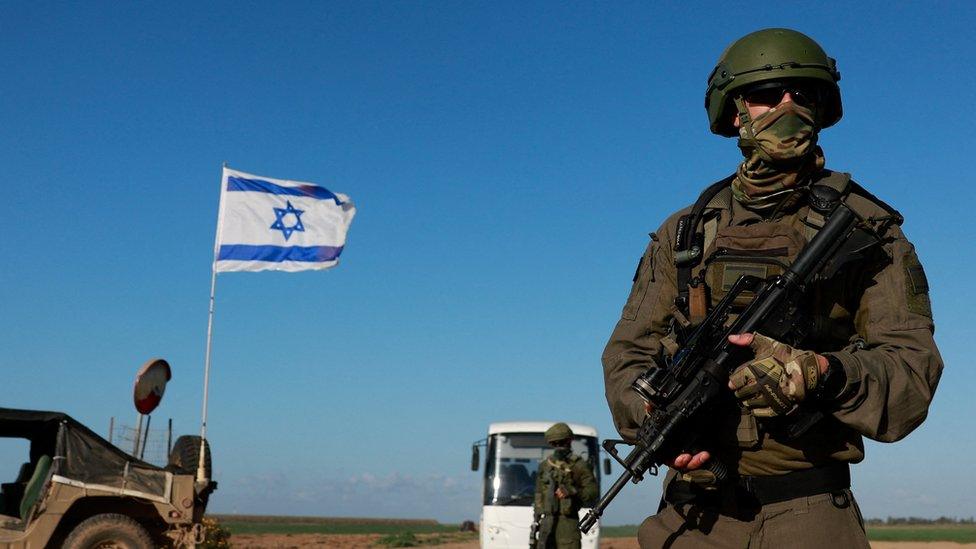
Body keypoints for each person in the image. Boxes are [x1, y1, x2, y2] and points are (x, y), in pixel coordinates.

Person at [601, 28, 943, 548]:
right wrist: (653, 419)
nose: (787, 106)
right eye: (766, 95)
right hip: (695, 514)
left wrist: (821, 374)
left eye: (803, 94)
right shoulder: (685, 233)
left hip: (807, 512)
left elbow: (912, 377)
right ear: (734, 111)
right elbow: (628, 354)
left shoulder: (869, 231)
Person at [531, 423, 598, 549]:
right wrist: (536, 520)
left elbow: (593, 492)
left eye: (561, 443)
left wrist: (572, 490)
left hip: (568, 524)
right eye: (554, 444)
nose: (558, 447)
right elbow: (538, 495)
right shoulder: (545, 466)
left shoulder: (579, 465)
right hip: (547, 524)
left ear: (569, 441)